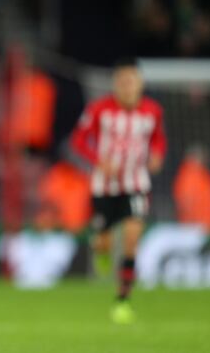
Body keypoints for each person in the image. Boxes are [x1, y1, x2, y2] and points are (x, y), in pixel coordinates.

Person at [70, 57, 166, 324]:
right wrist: (99, 160)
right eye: (122, 82)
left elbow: (158, 138)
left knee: (132, 238)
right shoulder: (100, 109)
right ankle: (101, 249)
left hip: (136, 185)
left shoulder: (152, 111)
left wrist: (157, 154)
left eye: (132, 81)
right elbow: (79, 139)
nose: (127, 87)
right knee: (104, 242)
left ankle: (122, 301)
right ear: (115, 84)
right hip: (104, 187)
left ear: (140, 84)